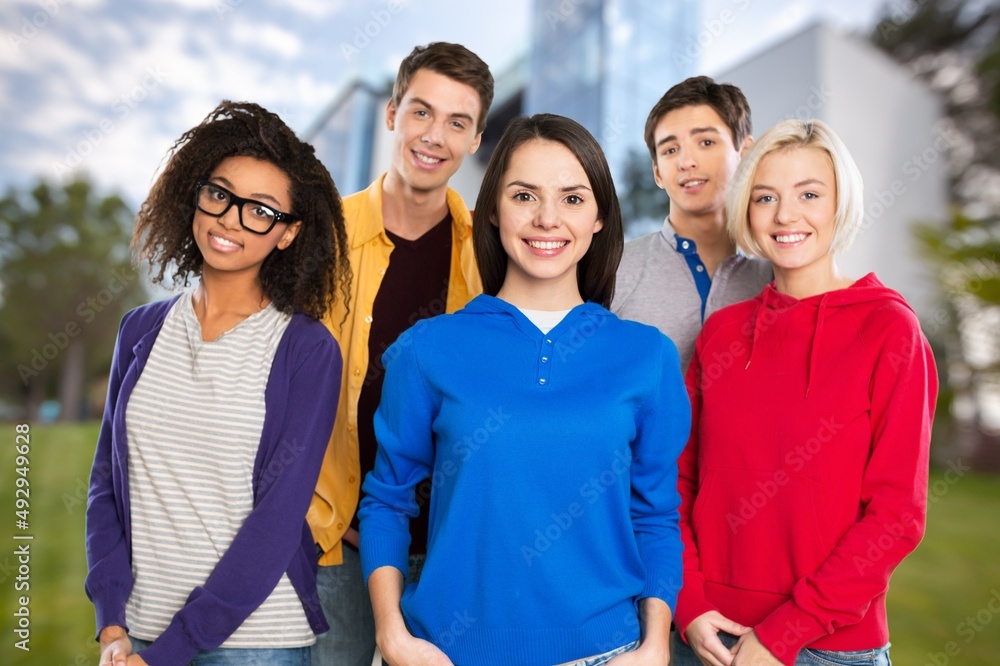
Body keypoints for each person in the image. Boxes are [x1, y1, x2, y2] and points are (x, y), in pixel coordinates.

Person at [359, 114, 691, 665]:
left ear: (601, 215)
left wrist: (655, 645)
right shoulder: (429, 348)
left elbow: (655, 514)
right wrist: (392, 635)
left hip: (604, 653)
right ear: (492, 208)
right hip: (443, 653)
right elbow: (388, 500)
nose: (547, 219)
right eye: (524, 195)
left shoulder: (646, 356)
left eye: (572, 198)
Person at [85, 101, 351, 666]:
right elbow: (106, 485)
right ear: (196, 196)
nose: (231, 218)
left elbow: (277, 521)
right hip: (136, 634)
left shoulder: (305, 351)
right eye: (221, 194)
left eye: (261, 210)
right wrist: (111, 625)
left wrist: (175, 649)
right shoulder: (139, 331)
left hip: (256, 643)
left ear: (288, 233)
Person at [672, 119, 937, 666]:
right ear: (746, 207)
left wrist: (783, 634)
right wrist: (690, 603)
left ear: (840, 204)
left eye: (809, 195)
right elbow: (680, 477)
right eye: (766, 196)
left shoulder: (889, 329)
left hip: (828, 647)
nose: (786, 216)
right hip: (708, 637)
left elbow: (896, 516)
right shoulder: (722, 333)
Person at [307, 41, 494, 666]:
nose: (434, 135)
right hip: (334, 543)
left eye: (457, 122)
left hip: (450, 553)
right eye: (421, 111)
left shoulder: (490, 256)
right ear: (392, 113)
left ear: (475, 138)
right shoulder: (320, 238)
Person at [613, 76, 772, 371]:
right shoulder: (613, 271)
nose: (686, 162)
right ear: (657, 172)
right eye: (670, 150)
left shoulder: (774, 278)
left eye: (706, 142)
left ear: (746, 152)